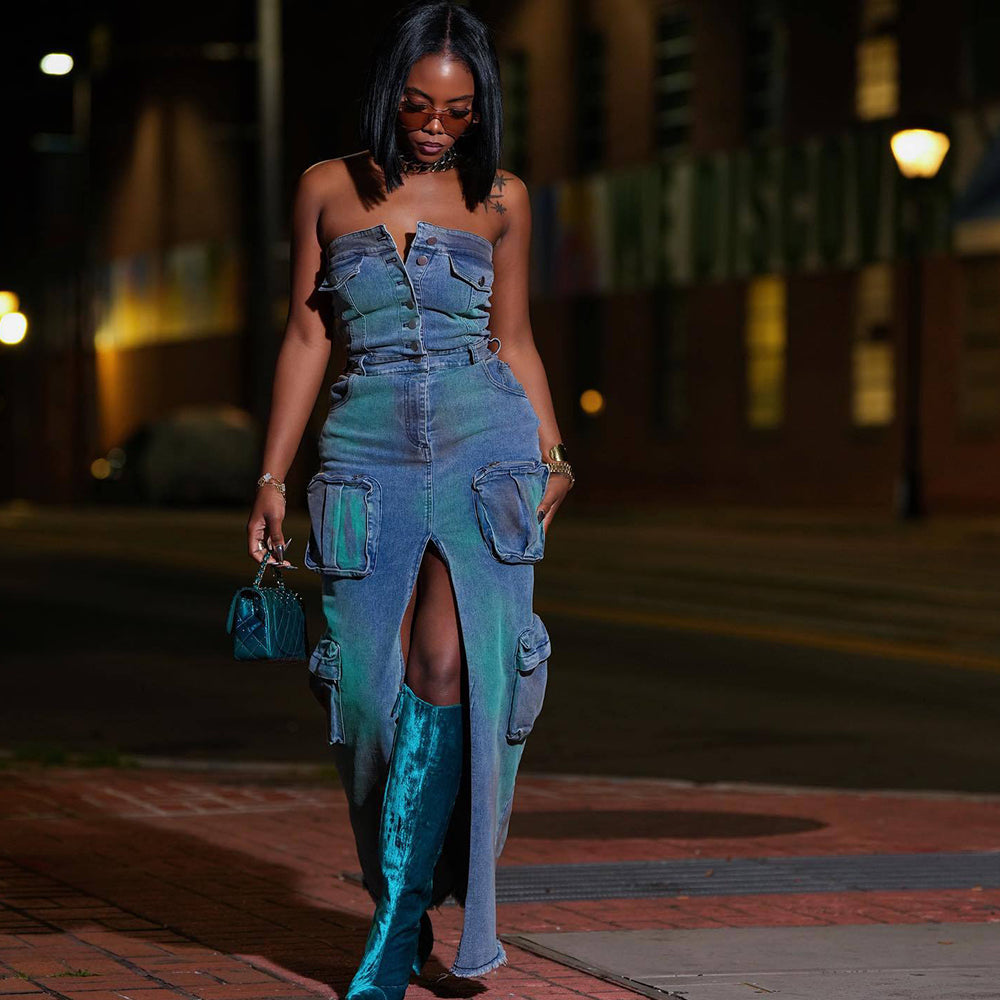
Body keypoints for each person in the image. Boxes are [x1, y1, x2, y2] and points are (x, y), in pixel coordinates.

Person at [245, 2, 574, 996]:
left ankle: (398, 926)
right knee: (362, 696)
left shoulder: (502, 198)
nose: (437, 125)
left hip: (486, 446)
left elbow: (512, 338)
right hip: (362, 456)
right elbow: (307, 337)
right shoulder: (325, 188)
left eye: (459, 111)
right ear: (389, 92)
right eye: (420, 105)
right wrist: (270, 475)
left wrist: (556, 453)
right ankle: (409, 883)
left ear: (481, 112)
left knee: (456, 668)